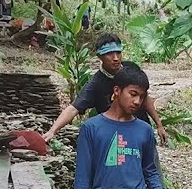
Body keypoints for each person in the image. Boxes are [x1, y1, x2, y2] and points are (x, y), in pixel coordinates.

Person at [43, 34, 172, 146]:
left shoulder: (132, 69)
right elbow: (73, 108)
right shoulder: (96, 84)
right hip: (117, 140)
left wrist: (159, 125)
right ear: (100, 56)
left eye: (118, 53)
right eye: (110, 54)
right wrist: (52, 131)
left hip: (142, 135)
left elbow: (145, 98)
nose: (115, 58)